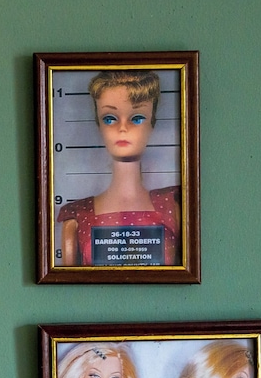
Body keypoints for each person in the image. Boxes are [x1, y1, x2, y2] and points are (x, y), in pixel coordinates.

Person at [57, 70, 180, 266]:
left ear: (152, 123)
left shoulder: (172, 206)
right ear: (99, 124)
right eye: (110, 118)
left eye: (137, 118)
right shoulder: (77, 216)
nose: (123, 128)